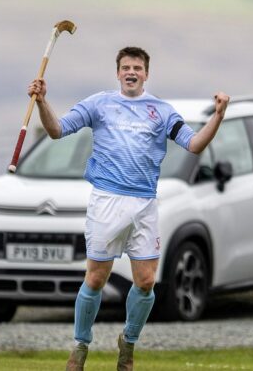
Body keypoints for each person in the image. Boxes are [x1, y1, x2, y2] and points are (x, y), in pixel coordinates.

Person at [27, 46, 229, 371]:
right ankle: (80, 346)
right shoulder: (99, 104)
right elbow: (56, 130)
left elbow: (194, 144)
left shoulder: (161, 111)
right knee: (95, 278)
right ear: (117, 72)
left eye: (137, 67)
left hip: (145, 204)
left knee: (147, 281)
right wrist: (42, 102)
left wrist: (218, 116)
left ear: (146, 73)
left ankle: (128, 344)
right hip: (107, 201)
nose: (131, 72)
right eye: (125, 67)